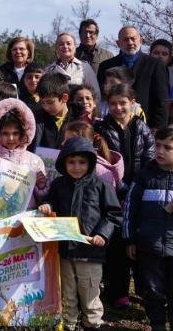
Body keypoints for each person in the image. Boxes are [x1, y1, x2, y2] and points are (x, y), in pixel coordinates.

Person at [123, 124, 173, 331]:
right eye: (158, 146)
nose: (160, 151)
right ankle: (158, 325)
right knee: (152, 291)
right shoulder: (145, 176)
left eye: (167, 148)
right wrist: (130, 239)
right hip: (149, 246)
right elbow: (129, 209)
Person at [38, 137, 122, 331]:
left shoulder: (101, 186)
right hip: (65, 249)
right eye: (71, 162)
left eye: (82, 162)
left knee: (89, 288)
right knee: (67, 288)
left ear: (90, 163)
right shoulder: (59, 185)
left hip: (90, 250)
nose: (76, 167)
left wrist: (103, 234)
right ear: (64, 163)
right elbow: (52, 202)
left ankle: (92, 322)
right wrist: (47, 205)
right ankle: (69, 322)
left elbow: (113, 213)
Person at [95, 83, 155, 310]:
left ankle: (143, 288)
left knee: (138, 243)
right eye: (113, 103)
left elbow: (150, 161)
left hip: (139, 194)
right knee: (116, 246)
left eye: (123, 103)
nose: (118, 107)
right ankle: (118, 291)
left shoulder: (143, 128)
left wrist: (136, 191)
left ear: (133, 102)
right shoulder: (101, 129)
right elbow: (103, 163)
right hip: (113, 194)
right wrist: (121, 189)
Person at [97, 26, 169, 129]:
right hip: (111, 125)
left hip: (145, 125)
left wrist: (158, 128)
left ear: (140, 39)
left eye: (133, 38)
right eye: (126, 39)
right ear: (118, 43)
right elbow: (102, 95)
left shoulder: (155, 65)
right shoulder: (106, 66)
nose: (130, 43)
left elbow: (161, 100)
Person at [0, 99, 48, 209]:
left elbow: (41, 200)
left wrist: (41, 186)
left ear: (23, 134)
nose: (11, 138)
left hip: (26, 217)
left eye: (15, 133)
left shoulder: (34, 161)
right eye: (5, 133)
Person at [63, 121, 124, 188]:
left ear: (83, 142)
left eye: (68, 140)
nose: (63, 143)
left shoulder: (101, 173)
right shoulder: (65, 163)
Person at [32, 72, 84, 150]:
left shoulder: (79, 118)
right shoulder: (37, 119)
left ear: (64, 98)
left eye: (50, 102)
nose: (46, 107)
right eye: (42, 102)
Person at [45, 32, 101, 102]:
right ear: (56, 48)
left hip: (80, 110)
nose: (65, 46)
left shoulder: (85, 67)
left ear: (74, 47)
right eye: (61, 44)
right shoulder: (49, 70)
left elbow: (95, 93)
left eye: (68, 43)